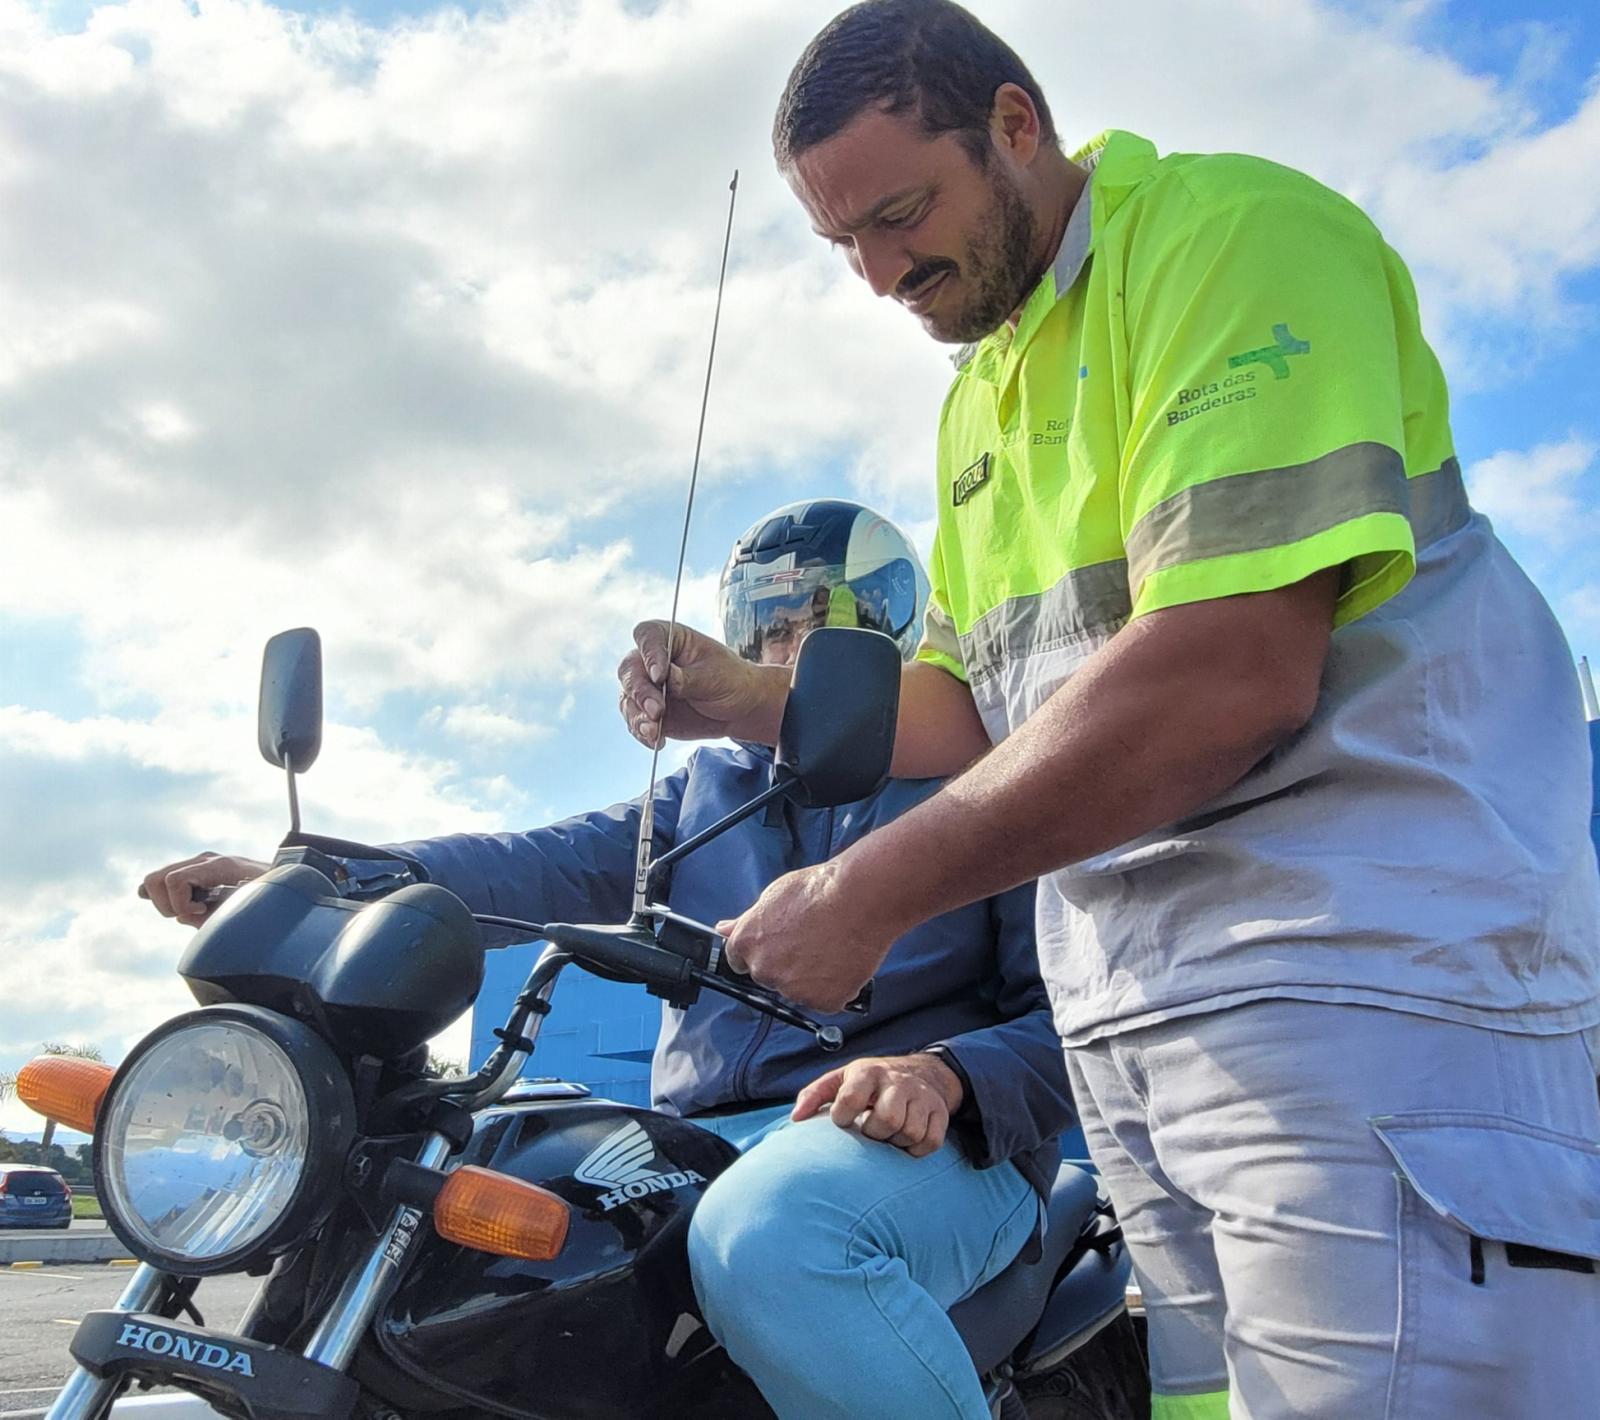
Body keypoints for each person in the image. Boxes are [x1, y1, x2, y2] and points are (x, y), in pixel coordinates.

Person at [616, 3, 1600, 1417]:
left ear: (1018, 125)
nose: (883, 274)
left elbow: (1229, 664)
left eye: (903, 214)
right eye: (845, 245)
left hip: (1363, 992)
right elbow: (976, 704)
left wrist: (867, 890)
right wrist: (749, 701)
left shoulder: (1230, 236)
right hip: (1140, 1029)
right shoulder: (982, 400)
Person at [143, 498, 1075, 1420]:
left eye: (811, 621)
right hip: (699, 1136)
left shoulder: (984, 780)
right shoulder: (709, 788)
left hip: (935, 1144)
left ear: (885, 626)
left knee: (778, 1239)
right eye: (763, 622)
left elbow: (1080, 1011)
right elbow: (540, 865)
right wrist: (319, 876)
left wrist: (944, 1073)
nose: (781, 646)